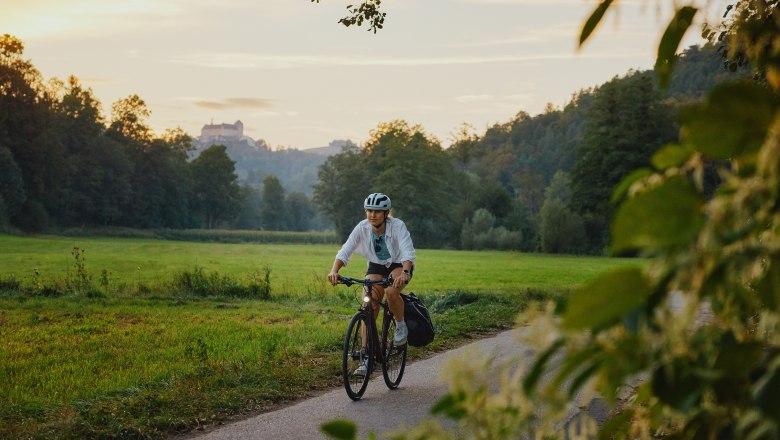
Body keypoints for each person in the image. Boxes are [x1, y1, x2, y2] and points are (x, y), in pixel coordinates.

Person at [328, 192, 416, 374]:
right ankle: (366, 357)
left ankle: (400, 325)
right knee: (369, 305)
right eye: (369, 211)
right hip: (376, 266)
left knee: (392, 292)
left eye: (377, 211)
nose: (372, 215)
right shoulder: (362, 228)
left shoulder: (398, 226)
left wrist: (405, 273)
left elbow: (407, 251)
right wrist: (334, 271)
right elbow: (346, 250)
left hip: (399, 264)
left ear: (386, 213)